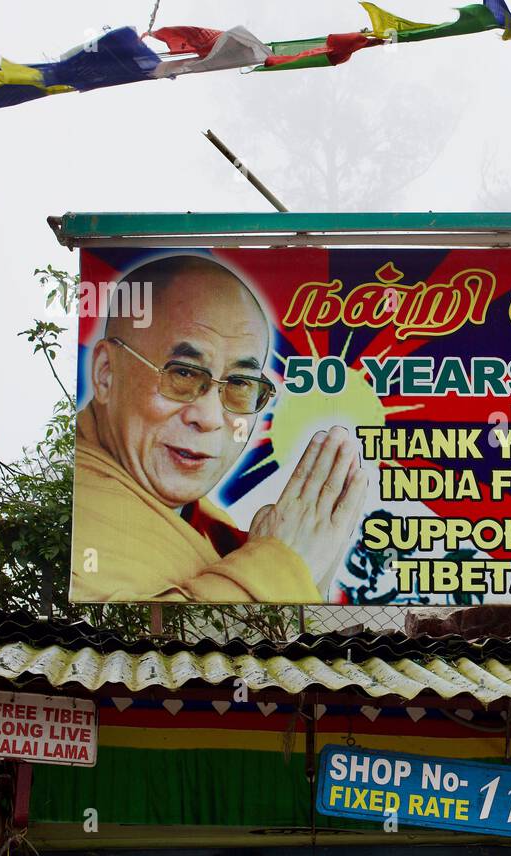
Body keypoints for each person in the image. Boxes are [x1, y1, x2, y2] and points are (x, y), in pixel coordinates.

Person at [71, 255, 366, 603]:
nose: (209, 417)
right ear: (107, 372)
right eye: (182, 373)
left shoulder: (199, 522)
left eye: (240, 383)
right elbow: (146, 647)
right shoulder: (86, 524)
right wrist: (278, 568)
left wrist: (306, 572)